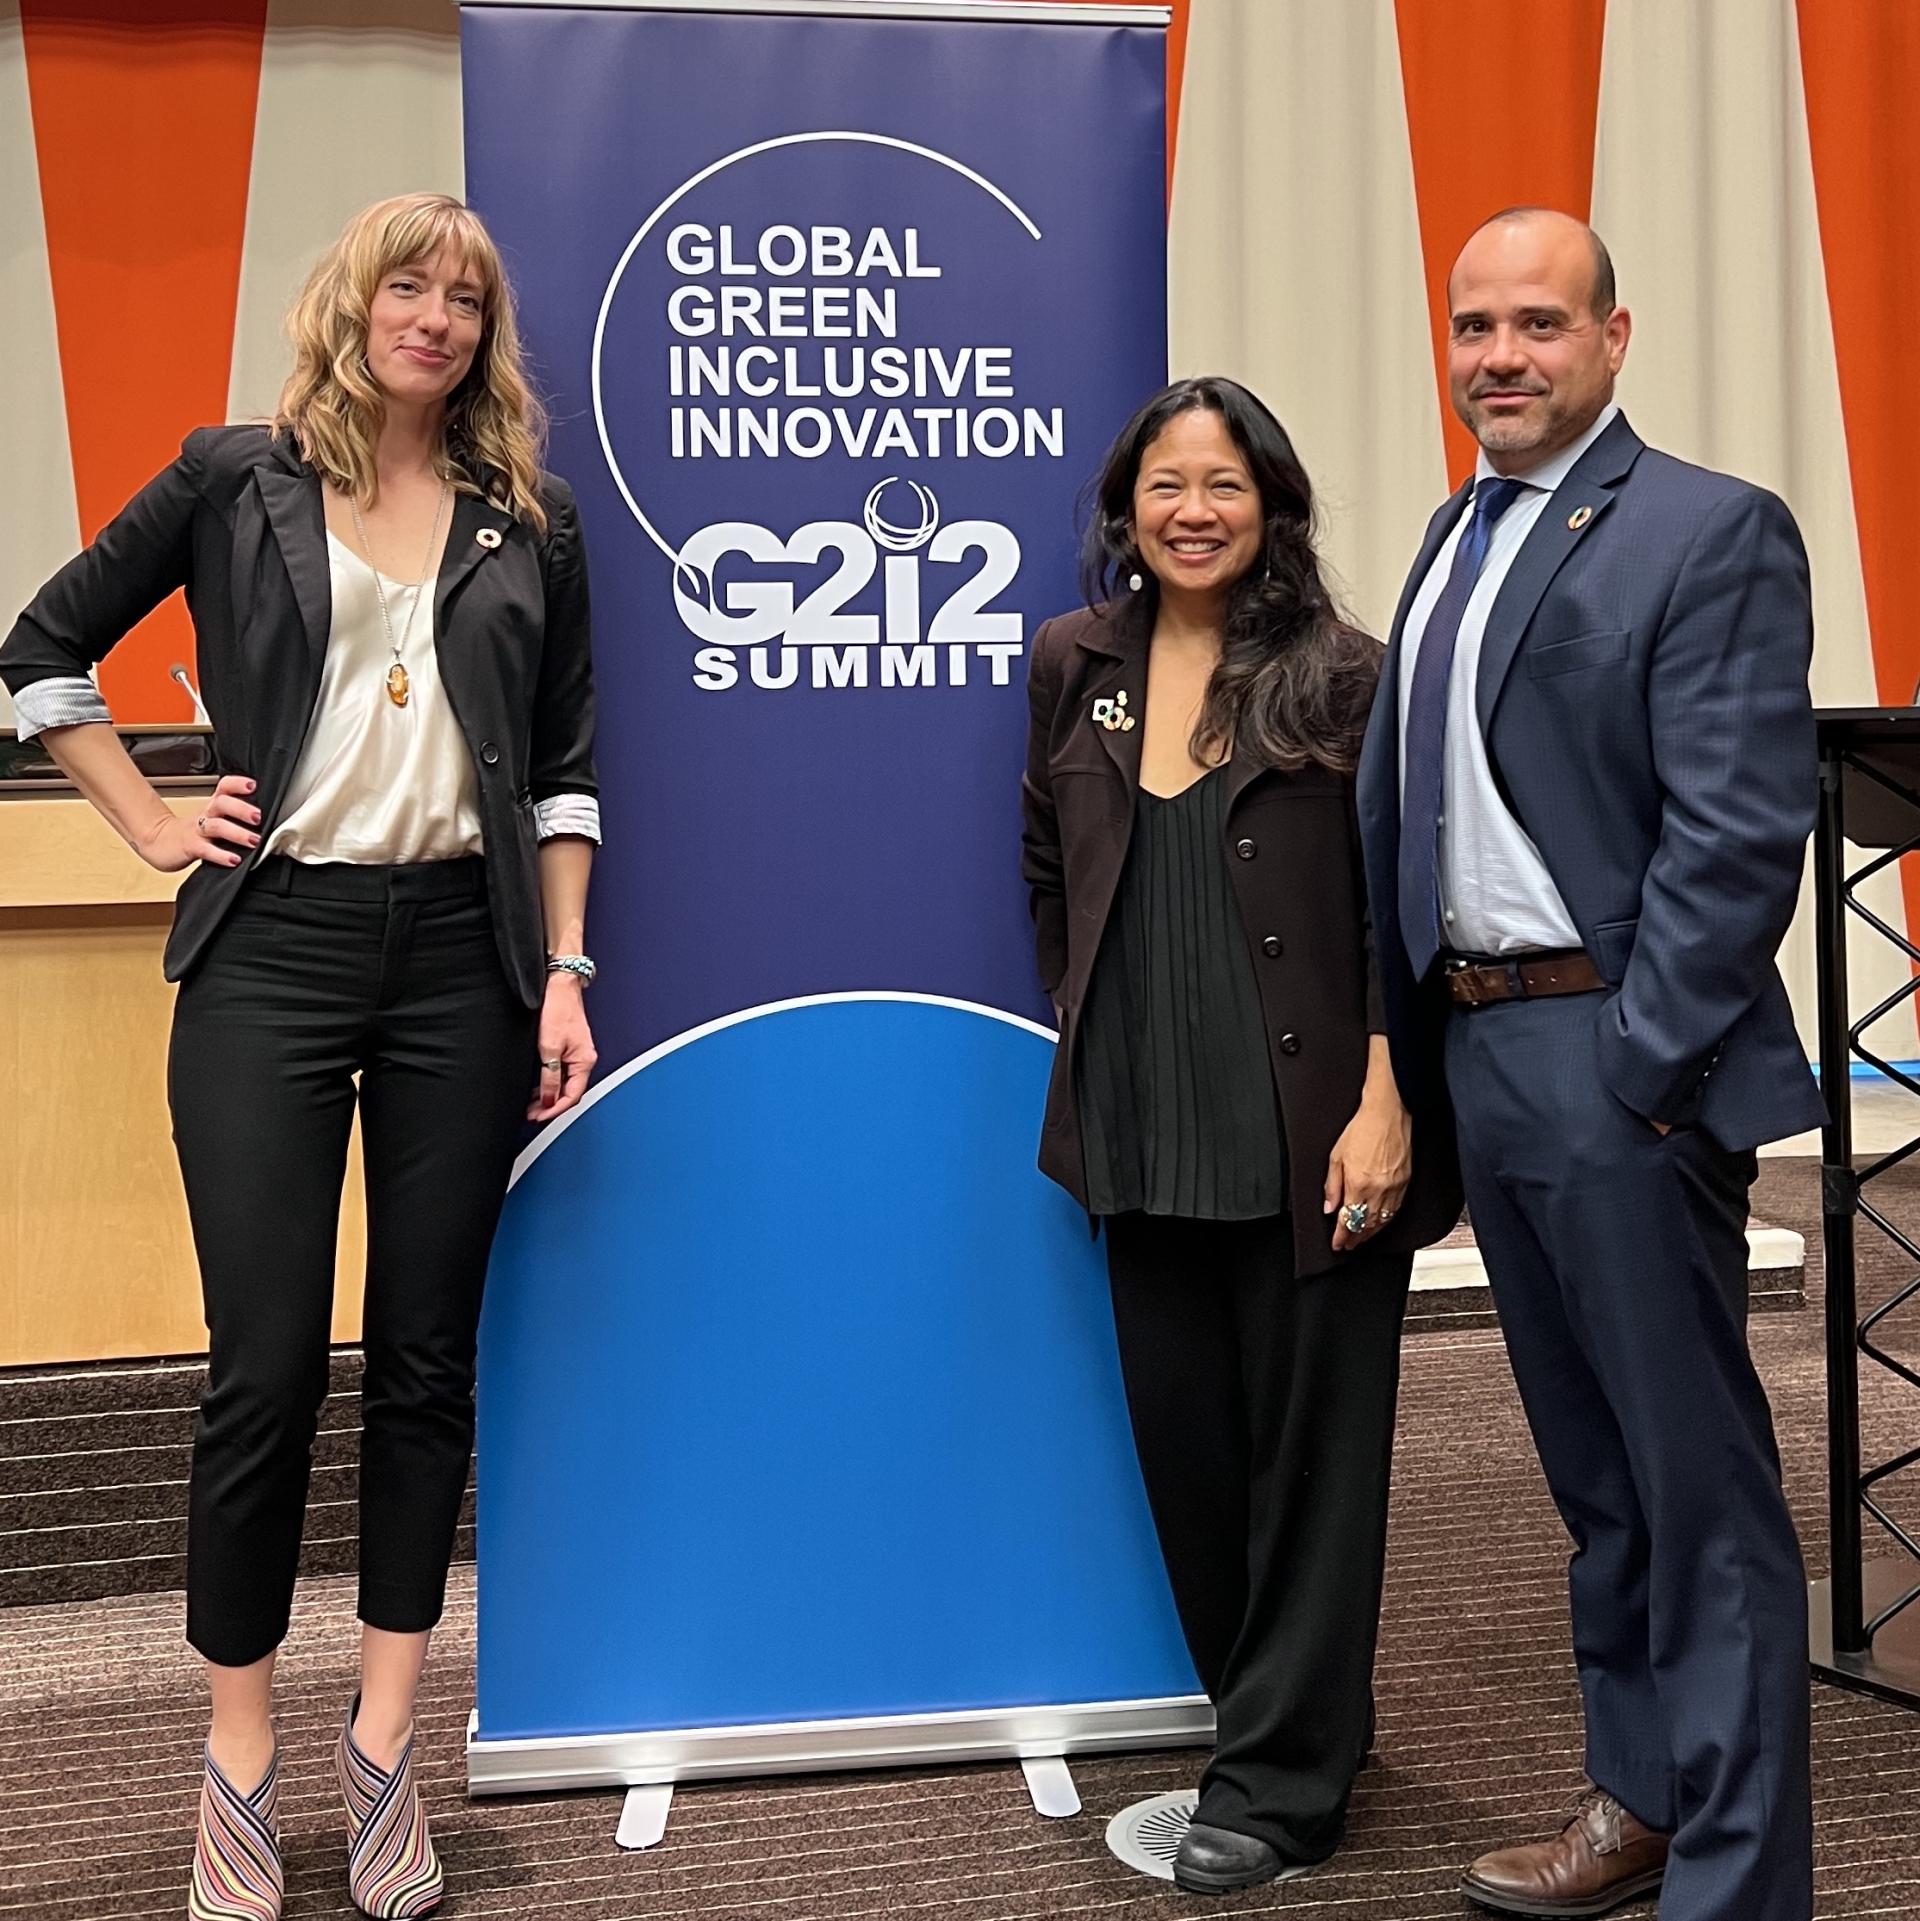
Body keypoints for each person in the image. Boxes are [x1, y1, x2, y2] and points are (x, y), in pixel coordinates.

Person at [0, 193, 599, 1921]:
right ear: (349, 304)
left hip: (461, 970)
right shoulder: (231, 474)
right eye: (406, 286)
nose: (435, 317)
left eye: (464, 299)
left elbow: (563, 774)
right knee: (262, 1364)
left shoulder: (527, 521)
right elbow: (41, 652)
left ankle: (384, 1744)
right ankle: (240, 1760)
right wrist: (148, 821)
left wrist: (560, 971)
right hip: (271, 946)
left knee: (425, 1357)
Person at [1355, 207, 1822, 1921]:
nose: (1501, 355)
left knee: (1698, 1494)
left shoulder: (1709, 530)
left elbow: (1735, 832)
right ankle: (1640, 1800)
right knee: (1599, 1484)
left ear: (1614, 338)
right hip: (1483, 1049)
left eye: (1539, 323)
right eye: (1475, 325)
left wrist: (1641, 1063)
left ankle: (1739, 1880)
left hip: (1618, 1060)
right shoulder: (1452, 534)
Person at [1021, 376, 1460, 1893]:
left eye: (1223, 483)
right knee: (1192, 1459)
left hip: (1316, 1131)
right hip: (1141, 1133)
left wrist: (1388, 1097)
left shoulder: (1346, 675)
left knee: (1313, 1465)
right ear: (1125, 508)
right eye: (1165, 484)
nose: (1192, 509)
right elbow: (1043, 866)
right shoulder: (1075, 664)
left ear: (1272, 505)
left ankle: (1282, 1784)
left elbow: (1402, 910)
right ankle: (1293, 1720)